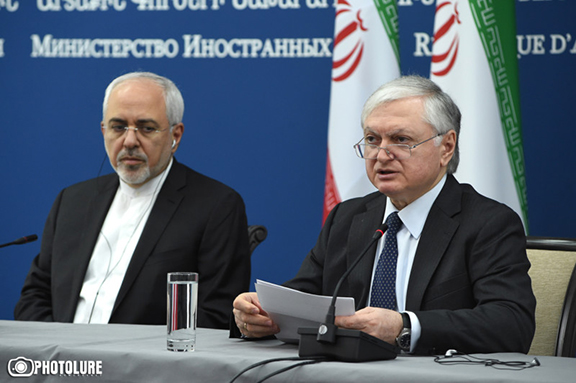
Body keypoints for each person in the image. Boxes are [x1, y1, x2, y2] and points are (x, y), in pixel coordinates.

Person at [232, 75, 536, 355]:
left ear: (446, 147)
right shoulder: (349, 217)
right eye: (372, 139)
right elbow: (305, 296)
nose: (381, 154)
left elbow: (511, 324)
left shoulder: (488, 223)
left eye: (401, 139)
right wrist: (260, 315)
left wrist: (405, 327)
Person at [15, 71, 251, 329]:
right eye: (118, 127)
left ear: (176, 135)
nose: (129, 141)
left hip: (145, 366)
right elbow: (34, 297)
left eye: (146, 128)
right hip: (62, 362)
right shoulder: (71, 201)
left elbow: (214, 316)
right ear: (104, 130)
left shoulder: (216, 206)